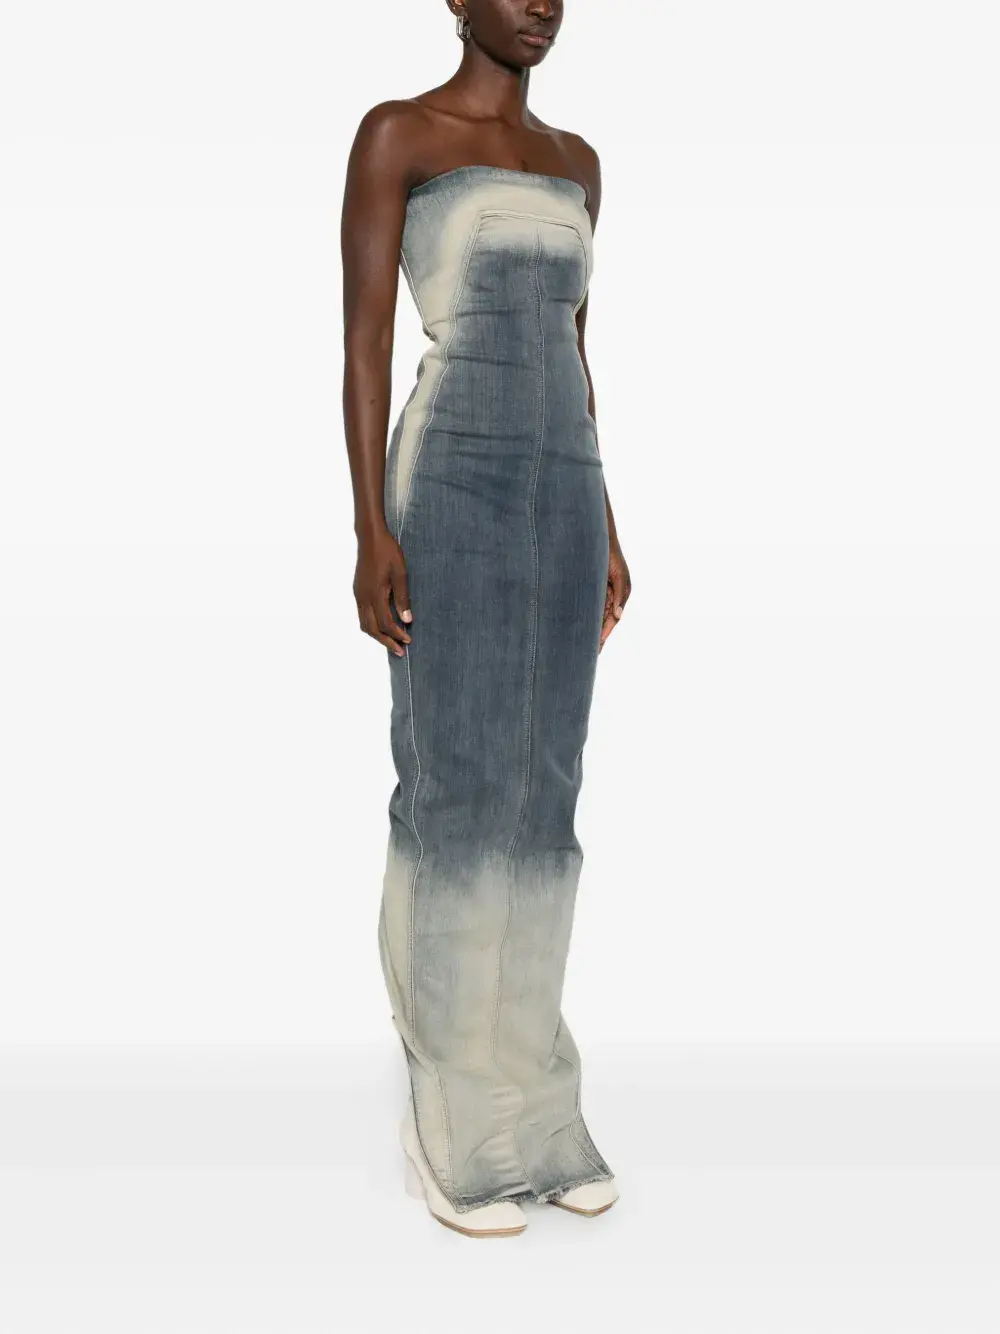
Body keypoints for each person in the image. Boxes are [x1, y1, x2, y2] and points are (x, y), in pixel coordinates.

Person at [341, 0, 631, 1238]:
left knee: (544, 793)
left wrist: (605, 515)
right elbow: (363, 342)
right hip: (448, 483)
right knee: (458, 785)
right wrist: (371, 527)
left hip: (563, 491)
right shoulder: (399, 134)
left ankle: (536, 1110)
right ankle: (452, 1112)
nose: (540, 4)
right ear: (456, 0)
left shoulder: (578, 162)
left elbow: (576, 351)